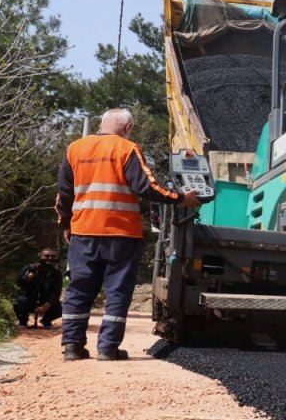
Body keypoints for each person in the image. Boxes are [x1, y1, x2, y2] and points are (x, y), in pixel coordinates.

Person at [55, 108, 201, 362]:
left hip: (83, 232)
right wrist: (181, 198)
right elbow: (147, 187)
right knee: (117, 291)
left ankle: (72, 346)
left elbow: (63, 195)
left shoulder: (75, 149)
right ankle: (107, 349)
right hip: (120, 234)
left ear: (102, 124)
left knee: (79, 290)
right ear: (128, 127)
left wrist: (66, 224)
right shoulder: (126, 149)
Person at [13, 248, 63, 329]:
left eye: (52, 256)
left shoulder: (56, 273)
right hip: (29, 299)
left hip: (45, 302)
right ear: (40, 256)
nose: (50, 258)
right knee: (20, 300)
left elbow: (56, 292)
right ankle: (23, 321)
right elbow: (20, 282)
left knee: (61, 307)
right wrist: (32, 274)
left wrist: (46, 306)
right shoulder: (29, 268)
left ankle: (46, 320)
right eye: (47, 256)